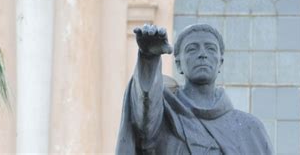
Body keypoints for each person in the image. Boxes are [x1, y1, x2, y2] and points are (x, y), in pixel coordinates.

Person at [116, 24, 273, 154]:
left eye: (210, 48)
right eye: (192, 49)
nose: (202, 54)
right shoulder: (164, 117)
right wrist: (148, 58)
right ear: (178, 64)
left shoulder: (250, 129)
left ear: (221, 62)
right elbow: (144, 118)